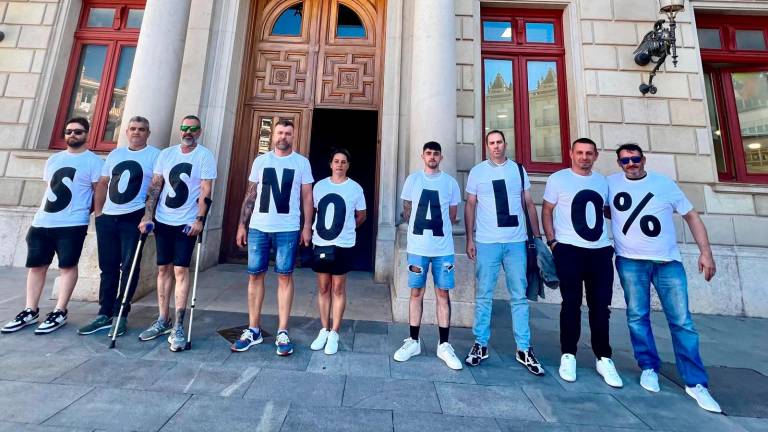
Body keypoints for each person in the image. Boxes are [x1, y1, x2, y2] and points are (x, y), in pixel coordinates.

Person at [608, 143, 721, 412]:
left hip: (668, 261)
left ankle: (695, 382)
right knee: (637, 316)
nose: (631, 164)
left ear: (643, 159)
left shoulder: (664, 184)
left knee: (682, 322)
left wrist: (706, 252)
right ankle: (648, 366)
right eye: (625, 160)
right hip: (630, 261)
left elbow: (692, 216)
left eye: (635, 159)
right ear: (619, 164)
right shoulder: (610, 184)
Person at [2, 117, 103, 334]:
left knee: (67, 266)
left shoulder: (94, 162)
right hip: (43, 221)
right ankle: (30, 309)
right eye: (69, 131)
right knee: (37, 266)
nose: (72, 135)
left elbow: (98, 193)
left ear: (87, 133)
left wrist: (85, 212)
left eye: (78, 131)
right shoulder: (54, 160)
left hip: (72, 223)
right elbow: (51, 188)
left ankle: (60, 310)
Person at [542, 138, 622, 388]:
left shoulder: (603, 182)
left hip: (599, 251)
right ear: (571, 153)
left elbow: (610, 211)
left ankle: (604, 357)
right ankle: (569, 354)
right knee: (571, 304)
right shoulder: (558, 179)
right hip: (569, 250)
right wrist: (553, 242)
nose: (584, 157)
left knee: (601, 307)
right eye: (579, 152)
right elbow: (547, 211)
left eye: (589, 153)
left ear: (596, 155)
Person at [464, 130, 544, 375]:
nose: (496, 147)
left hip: (516, 242)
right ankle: (480, 343)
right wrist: (470, 237)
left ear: (505, 144)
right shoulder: (477, 172)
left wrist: (538, 238)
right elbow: (470, 205)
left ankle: (523, 347)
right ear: (486, 146)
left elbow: (528, 203)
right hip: (487, 242)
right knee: (484, 295)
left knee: (519, 296)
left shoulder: (518, 170)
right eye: (491, 143)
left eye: (499, 142)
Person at [232, 119, 313, 356]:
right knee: (255, 276)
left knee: (285, 277)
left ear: (293, 136)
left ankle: (282, 330)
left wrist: (307, 225)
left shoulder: (301, 163)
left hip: (287, 228)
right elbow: (251, 195)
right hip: (258, 226)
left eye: (288, 133)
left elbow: (307, 197)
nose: (283, 137)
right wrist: (241, 225)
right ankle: (254, 329)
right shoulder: (261, 161)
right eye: (280, 132)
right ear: (274, 135)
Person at [137, 115, 217, 352]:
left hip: (186, 222)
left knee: (181, 269)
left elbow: (206, 189)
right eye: (184, 128)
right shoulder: (166, 154)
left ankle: (179, 324)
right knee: (163, 268)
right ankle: (163, 318)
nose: (187, 132)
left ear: (199, 132)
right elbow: (155, 186)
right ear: (179, 130)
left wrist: (200, 219)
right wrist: (147, 216)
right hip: (163, 219)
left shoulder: (204, 156)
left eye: (192, 129)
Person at [78, 116, 160, 338]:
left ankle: (121, 315)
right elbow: (103, 183)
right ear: (126, 132)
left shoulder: (155, 155)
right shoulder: (115, 154)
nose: (136, 132)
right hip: (109, 218)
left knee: (130, 268)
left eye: (142, 129)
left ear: (148, 133)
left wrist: (147, 216)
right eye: (133, 129)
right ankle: (104, 313)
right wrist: (99, 212)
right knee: (108, 267)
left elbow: (155, 187)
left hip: (133, 218)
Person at [393, 142, 463, 370]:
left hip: (443, 249)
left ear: (441, 157)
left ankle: (444, 344)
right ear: (422, 156)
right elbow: (407, 208)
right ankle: (413, 340)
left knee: (443, 293)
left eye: (436, 154)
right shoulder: (413, 180)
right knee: (416, 292)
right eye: (428, 153)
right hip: (418, 248)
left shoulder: (450, 183)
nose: (432, 157)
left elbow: (453, 215)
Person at [308, 149, 366, 355]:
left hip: (343, 244)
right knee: (323, 287)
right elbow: (315, 212)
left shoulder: (355, 188)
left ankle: (335, 332)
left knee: (338, 288)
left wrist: (346, 228)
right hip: (322, 242)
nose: (339, 165)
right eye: (336, 161)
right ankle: (324, 329)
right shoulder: (320, 186)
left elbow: (361, 216)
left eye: (343, 162)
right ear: (330, 164)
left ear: (348, 165)